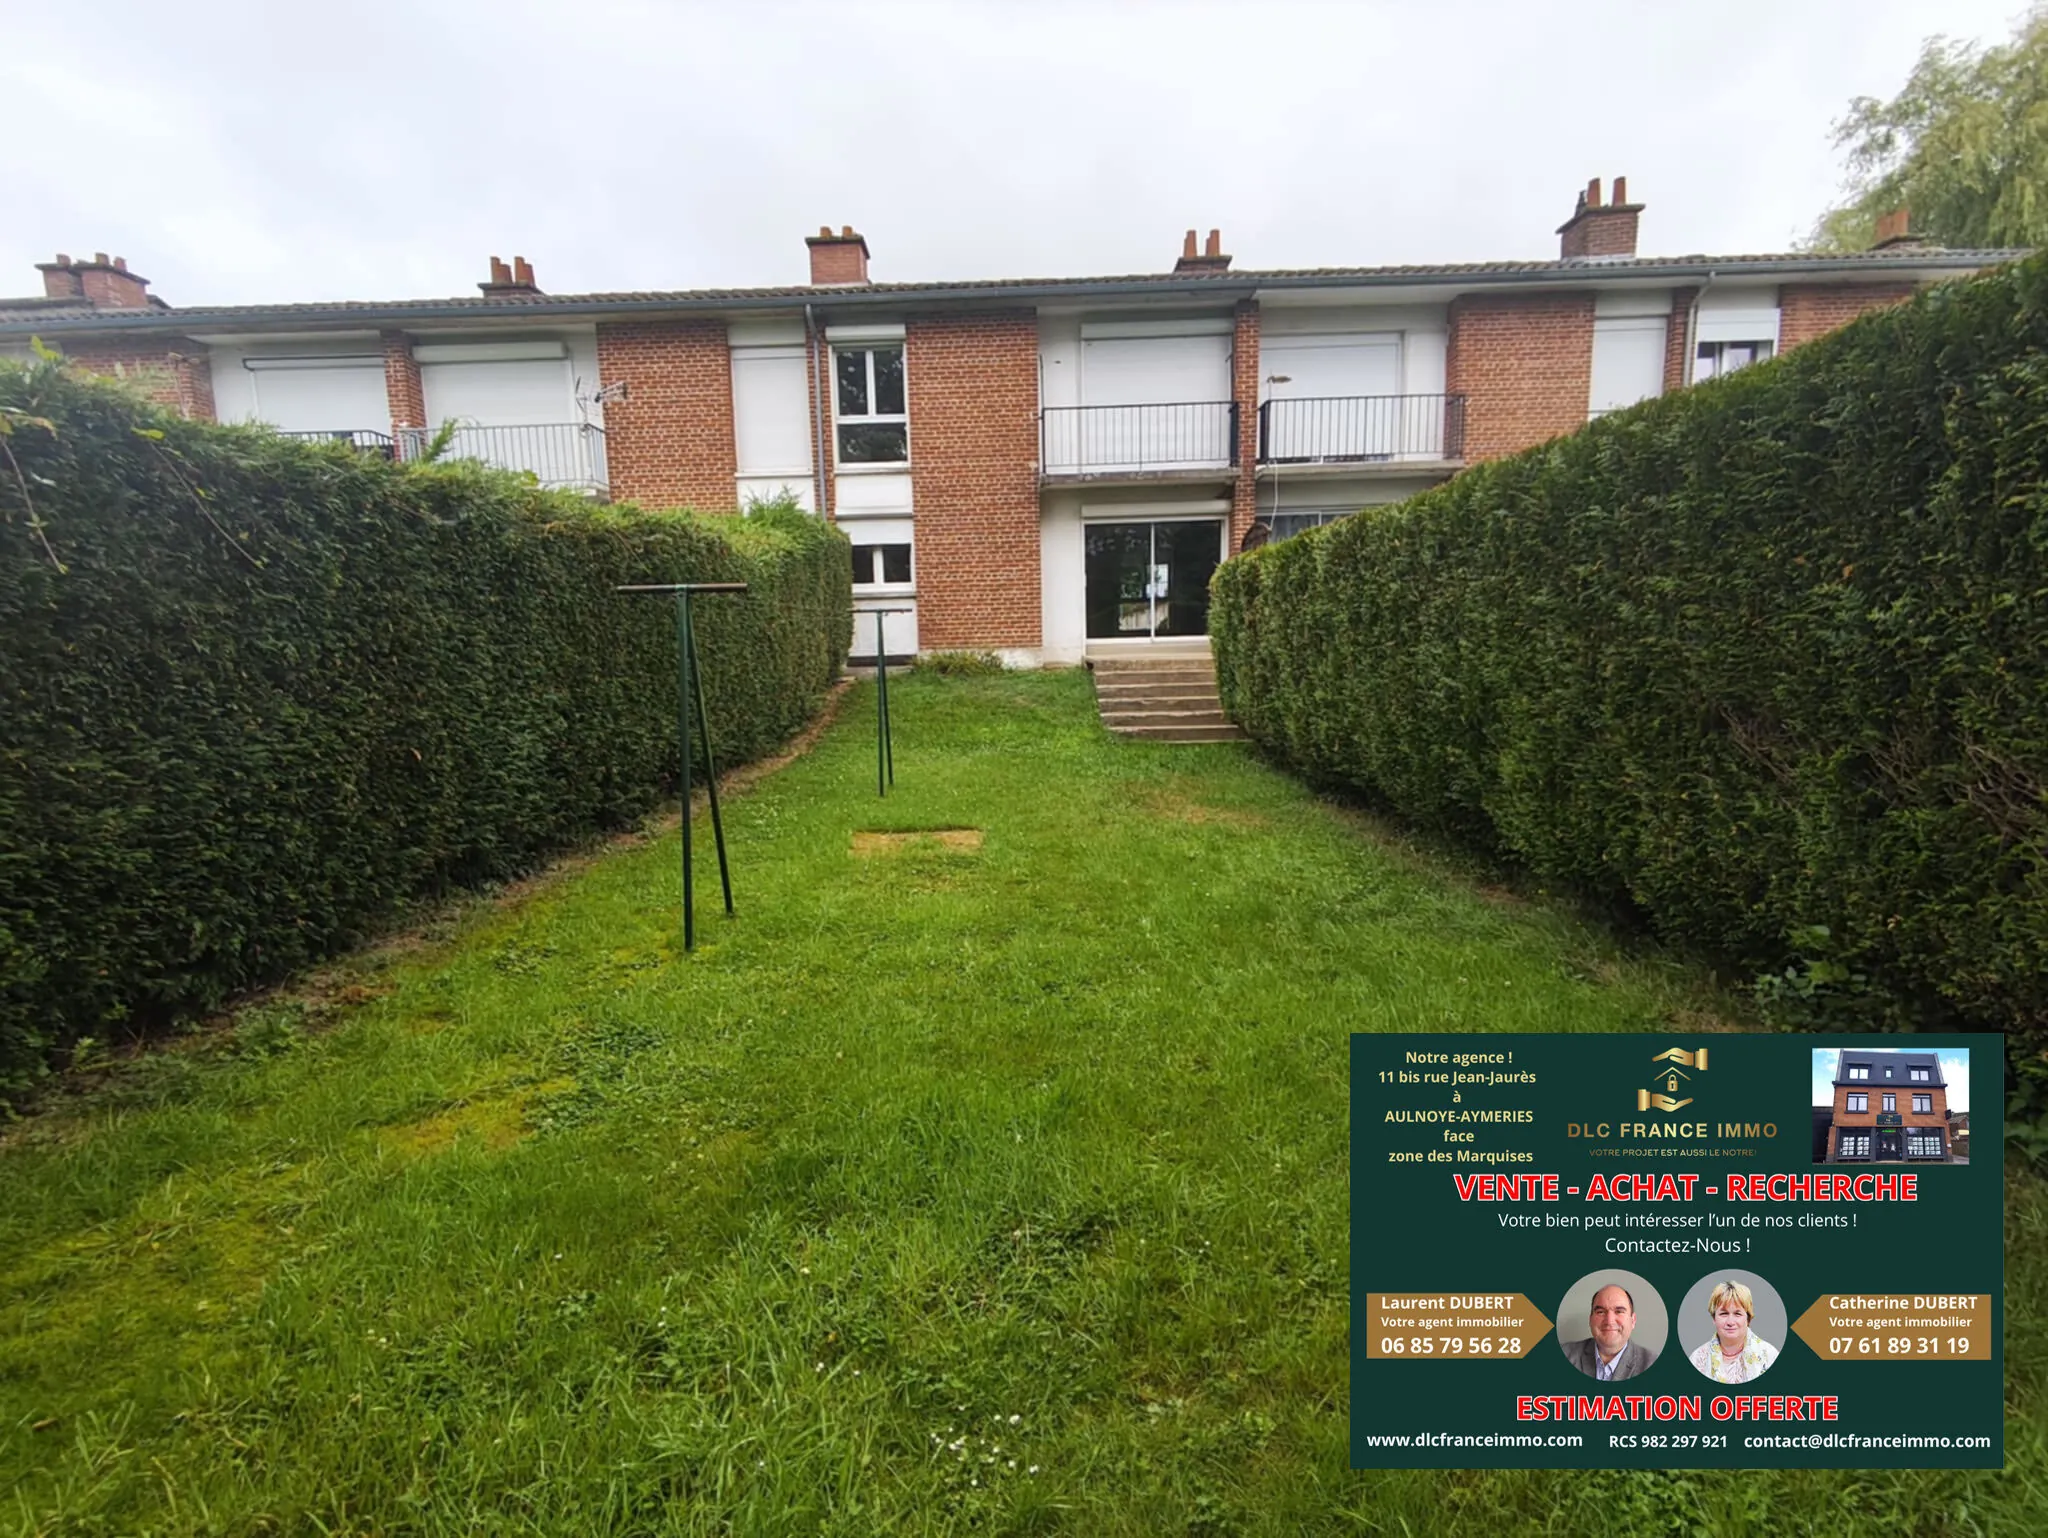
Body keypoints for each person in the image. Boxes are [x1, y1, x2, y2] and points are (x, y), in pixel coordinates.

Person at [1688, 1280, 1780, 1383]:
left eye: (1737, 1314)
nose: (1730, 1322)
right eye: (1724, 1314)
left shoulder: (1769, 1356)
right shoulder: (1697, 1359)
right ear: (1714, 1318)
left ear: (1748, 1318)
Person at [1562, 1283, 1657, 1380]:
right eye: (1601, 1312)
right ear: (1590, 1320)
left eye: (1619, 1311)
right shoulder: (1565, 1354)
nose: (1609, 1321)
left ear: (1633, 1321)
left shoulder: (1652, 1364)